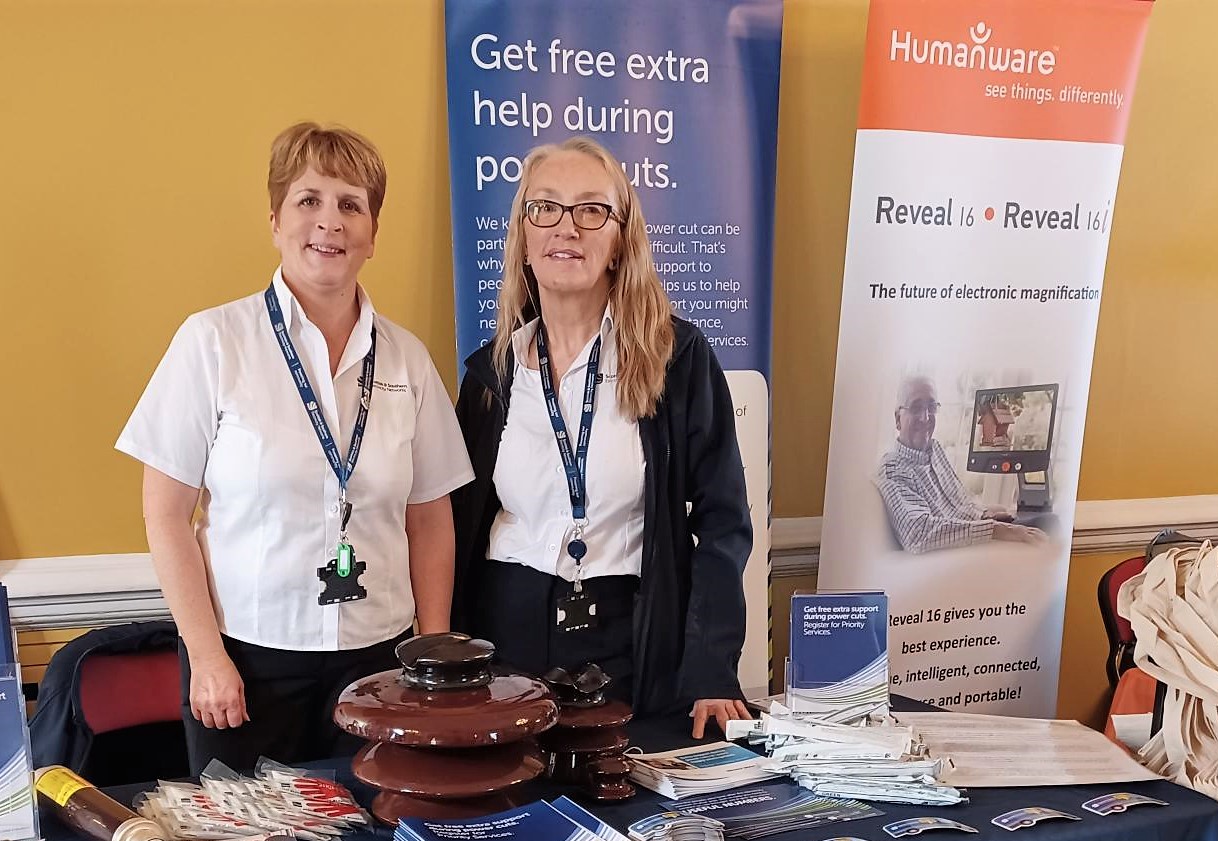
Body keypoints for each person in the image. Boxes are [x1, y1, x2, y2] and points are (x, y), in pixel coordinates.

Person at [117, 123, 472, 772]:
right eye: (309, 200)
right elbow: (166, 515)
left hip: (380, 664)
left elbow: (429, 519)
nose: (329, 222)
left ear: (372, 232)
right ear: (276, 219)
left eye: (350, 204)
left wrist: (431, 649)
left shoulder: (409, 361)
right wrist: (206, 655)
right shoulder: (212, 342)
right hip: (246, 667)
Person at [451, 137, 753, 740]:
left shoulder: (676, 359)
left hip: (630, 640)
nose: (567, 227)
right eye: (546, 208)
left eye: (591, 210)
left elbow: (724, 522)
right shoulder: (491, 374)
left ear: (619, 240)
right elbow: (454, 527)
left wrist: (712, 669)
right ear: (524, 238)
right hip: (504, 646)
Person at [876, 376, 1047, 553]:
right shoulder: (893, 469)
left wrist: (985, 515)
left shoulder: (935, 449)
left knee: (1048, 521)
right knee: (1045, 536)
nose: (925, 417)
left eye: (931, 407)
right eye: (916, 407)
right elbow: (918, 532)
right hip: (960, 552)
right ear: (898, 418)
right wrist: (996, 530)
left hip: (976, 534)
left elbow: (960, 502)